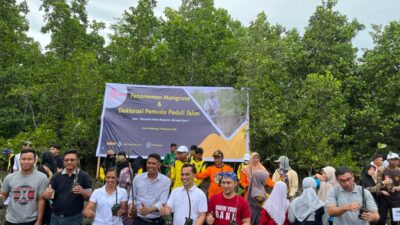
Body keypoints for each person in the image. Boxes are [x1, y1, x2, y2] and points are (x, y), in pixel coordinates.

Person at [43, 150, 92, 225]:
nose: (69, 162)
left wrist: (83, 192)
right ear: (63, 162)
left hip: (75, 218)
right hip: (55, 217)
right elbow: (49, 197)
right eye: (66, 160)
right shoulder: (56, 177)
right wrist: (47, 195)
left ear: (78, 161)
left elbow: (89, 197)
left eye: (72, 160)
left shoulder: (84, 176)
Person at [0, 148, 48, 225]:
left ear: (35, 161)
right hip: (11, 220)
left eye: (29, 159)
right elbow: (3, 195)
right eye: (23, 159)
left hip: (32, 220)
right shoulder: (9, 177)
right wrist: (2, 196)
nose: (26, 162)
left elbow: (41, 200)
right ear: (19, 160)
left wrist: (39, 221)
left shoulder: (42, 177)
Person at [128, 153, 171, 225]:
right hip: (139, 220)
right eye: (149, 163)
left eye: (154, 163)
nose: (151, 166)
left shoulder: (166, 180)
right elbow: (132, 197)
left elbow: (162, 201)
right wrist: (131, 207)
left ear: (159, 165)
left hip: (157, 221)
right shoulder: (137, 178)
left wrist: (149, 210)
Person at [370, 152, 400, 225]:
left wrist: (395, 188)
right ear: (388, 160)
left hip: (396, 199)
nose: (395, 161)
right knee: (381, 220)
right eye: (392, 159)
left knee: (396, 221)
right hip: (384, 198)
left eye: (396, 159)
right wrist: (385, 185)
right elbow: (378, 185)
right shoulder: (381, 169)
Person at [38, 151, 57, 225]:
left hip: (45, 191)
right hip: (53, 191)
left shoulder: (42, 167)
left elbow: (40, 181)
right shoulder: (54, 166)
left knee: (43, 210)